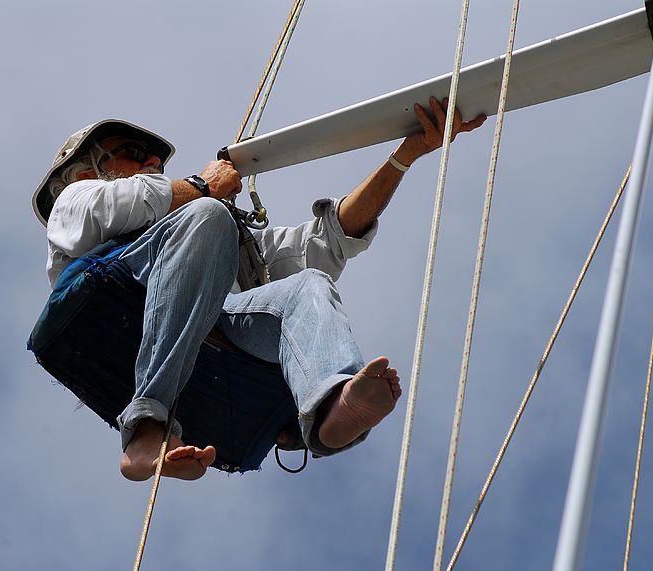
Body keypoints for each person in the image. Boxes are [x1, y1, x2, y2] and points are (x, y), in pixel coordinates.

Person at [31, 97, 485, 482]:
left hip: (214, 322)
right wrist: (202, 188)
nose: (152, 162)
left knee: (309, 284)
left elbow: (325, 243)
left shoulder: (204, 225)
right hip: (124, 301)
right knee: (206, 217)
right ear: (85, 172)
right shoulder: (75, 202)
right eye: (133, 152)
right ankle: (148, 424)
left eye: (157, 160)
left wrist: (404, 155)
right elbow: (129, 205)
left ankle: (328, 407)